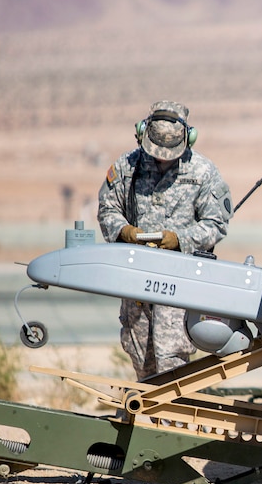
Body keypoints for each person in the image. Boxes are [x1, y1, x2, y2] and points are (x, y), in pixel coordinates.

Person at [97, 101, 232, 380]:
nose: (163, 159)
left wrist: (180, 240)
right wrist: (124, 232)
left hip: (178, 287)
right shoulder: (126, 168)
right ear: (142, 133)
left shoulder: (203, 173)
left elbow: (215, 225)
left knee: (173, 363)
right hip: (136, 286)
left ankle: (173, 420)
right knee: (140, 359)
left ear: (188, 139)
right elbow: (107, 209)